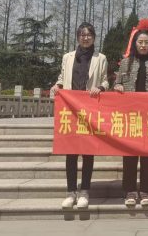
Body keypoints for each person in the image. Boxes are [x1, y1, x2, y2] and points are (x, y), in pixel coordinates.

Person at [51, 22, 108, 209]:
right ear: (78, 37)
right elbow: (62, 78)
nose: (86, 38)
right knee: (71, 152)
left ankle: (84, 191)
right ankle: (70, 192)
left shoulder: (101, 58)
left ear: (94, 37)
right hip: (70, 109)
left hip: (90, 109)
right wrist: (57, 86)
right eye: (82, 35)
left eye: (89, 35)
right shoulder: (68, 57)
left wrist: (100, 87)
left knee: (88, 152)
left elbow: (106, 80)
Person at [113, 24, 148, 207]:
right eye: (140, 42)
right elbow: (117, 83)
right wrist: (118, 86)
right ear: (134, 43)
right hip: (130, 115)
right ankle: (129, 189)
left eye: (146, 42)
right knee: (129, 154)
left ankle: (145, 190)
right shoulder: (126, 62)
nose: (143, 45)